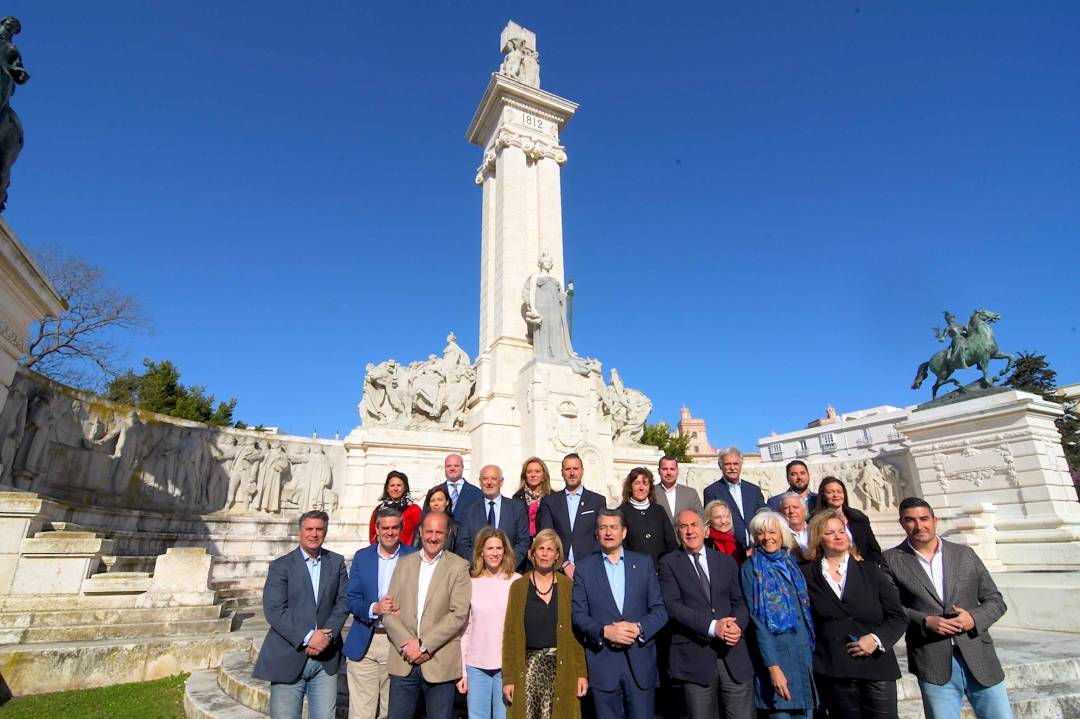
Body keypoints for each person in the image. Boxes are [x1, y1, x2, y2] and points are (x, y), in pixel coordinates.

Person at [882, 498, 1011, 719]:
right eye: (910, 520)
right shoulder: (890, 560)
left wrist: (973, 617)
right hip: (932, 658)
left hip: (978, 653)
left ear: (935, 520)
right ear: (902, 523)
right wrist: (924, 621)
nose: (919, 525)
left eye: (924, 519)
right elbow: (890, 607)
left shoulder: (964, 554)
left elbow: (995, 600)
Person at [801, 509, 905, 719]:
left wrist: (876, 639)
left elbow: (897, 616)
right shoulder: (806, 575)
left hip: (876, 666)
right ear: (818, 538)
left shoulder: (870, 570)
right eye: (830, 533)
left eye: (841, 531)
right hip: (834, 668)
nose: (838, 536)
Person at [571, 509, 669, 719]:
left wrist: (637, 628)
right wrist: (605, 631)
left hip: (640, 663)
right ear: (597, 533)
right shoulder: (584, 568)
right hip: (603, 664)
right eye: (603, 528)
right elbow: (578, 614)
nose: (608, 532)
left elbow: (660, 610)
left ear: (624, 532)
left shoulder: (643, 564)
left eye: (613, 527)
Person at [658, 509, 755, 719]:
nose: (690, 531)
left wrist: (736, 626)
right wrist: (713, 627)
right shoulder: (668, 563)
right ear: (677, 533)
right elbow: (673, 606)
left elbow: (740, 601)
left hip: (733, 655)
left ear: (706, 530)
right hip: (695, 658)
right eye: (683, 527)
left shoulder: (726, 561)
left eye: (694, 525)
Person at [253, 510, 349, 719]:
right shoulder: (281, 566)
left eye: (319, 529)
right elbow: (275, 610)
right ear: (300, 531)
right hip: (289, 654)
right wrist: (308, 637)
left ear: (325, 532)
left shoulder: (336, 562)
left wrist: (326, 636)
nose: (314, 534)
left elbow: (342, 603)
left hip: (326, 659)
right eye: (309, 529)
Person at [383, 512, 472, 719]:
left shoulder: (459, 567)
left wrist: (423, 645)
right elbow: (388, 613)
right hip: (403, 659)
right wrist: (408, 644)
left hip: (439, 662)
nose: (433, 537)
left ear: (448, 533)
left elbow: (458, 614)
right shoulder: (404, 563)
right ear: (421, 532)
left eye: (439, 532)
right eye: (429, 531)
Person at [502, 529, 588, 719]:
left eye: (550, 549)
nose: (544, 553)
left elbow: (576, 636)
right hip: (528, 669)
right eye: (540, 548)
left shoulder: (569, 587)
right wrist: (509, 678)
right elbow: (510, 635)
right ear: (532, 553)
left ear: (557, 555)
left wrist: (581, 673)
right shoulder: (518, 587)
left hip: (562, 668)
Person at [739, 511, 817, 718]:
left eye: (772, 532)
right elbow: (757, 621)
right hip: (777, 660)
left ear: (782, 534)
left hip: (802, 657)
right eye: (761, 533)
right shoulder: (751, 569)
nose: (767, 538)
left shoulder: (791, 563)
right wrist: (773, 667)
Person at [345, 507, 418, 719]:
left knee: (391, 712)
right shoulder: (362, 557)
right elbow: (352, 599)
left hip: (397, 643)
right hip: (365, 642)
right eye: (385, 527)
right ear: (376, 529)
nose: (389, 532)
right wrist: (374, 608)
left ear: (401, 529)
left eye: (395, 527)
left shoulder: (414, 556)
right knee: (360, 714)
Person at [458, 528, 521, 719]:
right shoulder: (470, 582)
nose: (494, 553)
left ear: (505, 551)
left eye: (499, 548)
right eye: (490, 548)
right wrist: (463, 671)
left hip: (506, 667)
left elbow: (520, 629)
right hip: (476, 666)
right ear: (481, 552)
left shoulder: (516, 582)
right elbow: (465, 630)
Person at [536, 453, 607, 580]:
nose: (572, 473)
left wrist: (588, 564)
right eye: (568, 469)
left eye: (575, 468)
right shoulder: (550, 501)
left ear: (582, 471)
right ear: (562, 472)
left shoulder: (597, 501)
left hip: (590, 569)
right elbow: (547, 536)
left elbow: (601, 536)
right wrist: (564, 564)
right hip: (558, 570)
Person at [457, 464, 531, 569]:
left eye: (494, 479)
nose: (489, 483)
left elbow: (523, 541)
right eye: (485, 479)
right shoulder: (469, 510)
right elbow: (462, 543)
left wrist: (508, 565)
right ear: (480, 482)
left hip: (508, 572)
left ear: (501, 482)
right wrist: (478, 565)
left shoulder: (516, 508)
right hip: (478, 573)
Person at [703, 447, 767, 552]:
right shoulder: (711, 492)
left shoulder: (753, 490)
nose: (732, 467)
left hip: (757, 548)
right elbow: (713, 523)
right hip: (730, 551)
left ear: (741, 465)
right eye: (728, 464)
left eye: (736, 464)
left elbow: (763, 514)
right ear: (720, 466)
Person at [813, 477, 882, 564]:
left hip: (863, 568)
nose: (835, 495)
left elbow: (874, 550)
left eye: (839, 492)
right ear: (823, 496)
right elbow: (816, 552)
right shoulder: (816, 522)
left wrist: (865, 566)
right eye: (830, 492)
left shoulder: (859, 518)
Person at [617, 466, 678, 566]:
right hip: (634, 570)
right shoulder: (621, 513)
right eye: (637, 483)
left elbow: (671, 544)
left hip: (660, 570)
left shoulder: (659, 511)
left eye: (645, 483)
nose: (641, 488)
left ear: (650, 487)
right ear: (630, 486)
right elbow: (620, 547)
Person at [369, 471, 422, 545]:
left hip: (407, 554)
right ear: (387, 488)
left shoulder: (414, 510)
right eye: (392, 485)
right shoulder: (378, 510)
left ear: (405, 488)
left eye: (399, 485)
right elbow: (372, 535)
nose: (395, 488)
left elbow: (420, 534)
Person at [656, 455, 704, 527]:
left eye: (672, 469)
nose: (669, 473)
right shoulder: (651, 492)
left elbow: (700, 518)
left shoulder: (691, 493)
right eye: (665, 469)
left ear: (678, 471)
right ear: (659, 471)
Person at [512, 456, 552, 538]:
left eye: (537, 471)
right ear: (525, 476)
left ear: (544, 475)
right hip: (524, 546)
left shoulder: (553, 497)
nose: (533, 475)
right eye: (529, 472)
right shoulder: (517, 498)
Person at [414, 484, 459, 554]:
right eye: (432, 501)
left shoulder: (456, 527)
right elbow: (415, 551)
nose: (436, 504)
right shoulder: (420, 526)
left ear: (447, 502)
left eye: (440, 500)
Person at [705, 500, 745, 565]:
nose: (723, 521)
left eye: (726, 516)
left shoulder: (737, 544)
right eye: (717, 517)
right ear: (709, 521)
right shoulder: (706, 545)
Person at [443, 453, 483, 520]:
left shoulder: (477, 493)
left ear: (462, 467)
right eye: (448, 466)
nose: (452, 468)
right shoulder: (435, 492)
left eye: (456, 466)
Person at [776, 493, 810, 558]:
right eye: (786, 508)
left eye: (795, 507)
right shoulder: (779, 536)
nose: (791, 511)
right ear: (781, 512)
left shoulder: (817, 531)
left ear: (805, 510)